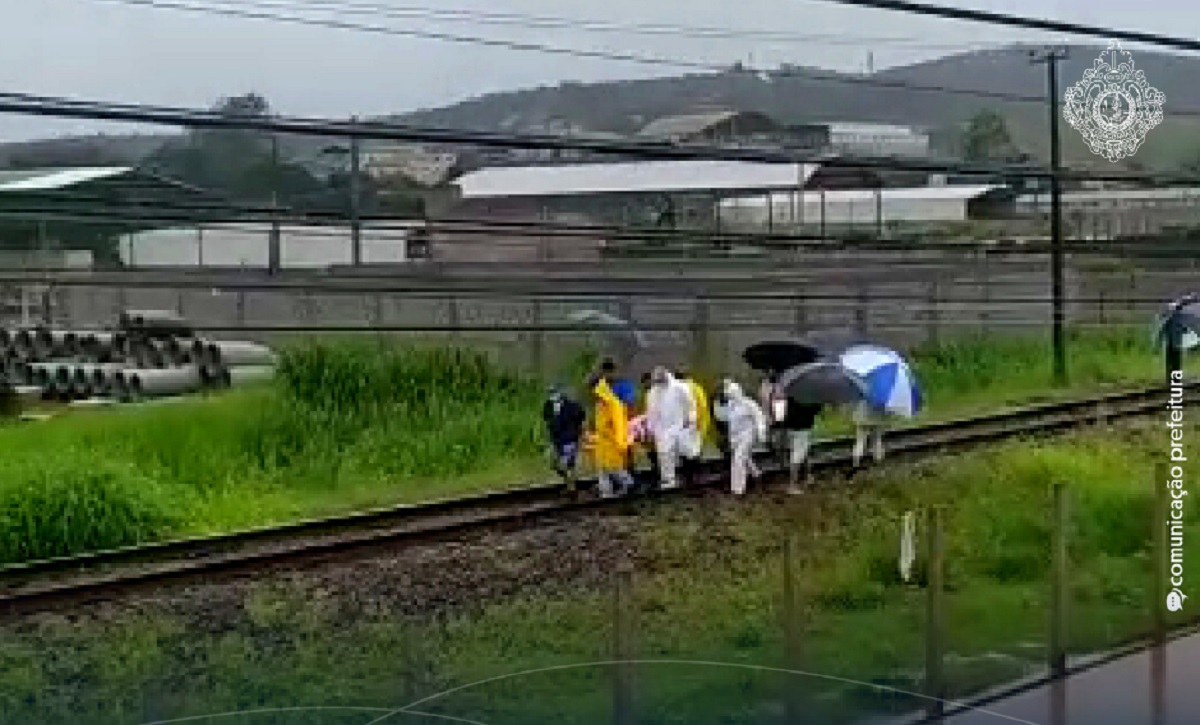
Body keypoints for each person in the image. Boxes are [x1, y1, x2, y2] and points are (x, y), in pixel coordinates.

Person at [763, 372, 822, 494]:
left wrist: (776, 423)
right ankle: (792, 485)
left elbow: (781, 409)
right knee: (798, 455)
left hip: (790, 426)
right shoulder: (810, 394)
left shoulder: (789, 391)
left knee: (802, 451)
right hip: (803, 427)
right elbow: (816, 410)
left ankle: (808, 476)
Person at [645, 366, 698, 491]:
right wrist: (650, 429)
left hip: (681, 425)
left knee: (688, 453)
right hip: (662, 429)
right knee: (664, 454)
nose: (658, 384)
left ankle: (690, 479)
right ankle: (669, 482)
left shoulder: (680, 387)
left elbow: (690, 405)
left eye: (659, 381)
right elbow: (651, 412)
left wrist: (691, 419)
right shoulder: (652, 392)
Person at [714, 379, 768, 496]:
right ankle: (757, 475)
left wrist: (761, 432)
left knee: (738, 460)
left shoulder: (749, 403)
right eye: (728, 395)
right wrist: (718, 403)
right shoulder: (730, 405)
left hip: (747, 435)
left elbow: (759, 417)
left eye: (731, 395)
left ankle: (738, 489)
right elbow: (722, 417)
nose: (729, 397)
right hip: (735, 436)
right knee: (744, 458)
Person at [587, 376, 636, 498]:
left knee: (614, 469)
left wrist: (621, 442)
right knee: (602, 470)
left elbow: (619, 425)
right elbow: (599, 425)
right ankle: (606, 493)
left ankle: (629, 484)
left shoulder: (613, 404)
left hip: (612, 443)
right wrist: (593, 436)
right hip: (602, 444)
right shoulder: (599, 405)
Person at [542, 385, 586, 492]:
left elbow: (581, 420)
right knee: (553, 462)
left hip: (569, 439)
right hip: (556, 440)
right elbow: (547, 420)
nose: (552, 395)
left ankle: (572, 489)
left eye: (554, 392)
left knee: (568, 465)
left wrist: (579, 436)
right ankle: (569, 481)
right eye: (550, 393)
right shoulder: (548, 405)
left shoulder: (572, 406)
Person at [675, 366, 710, 485]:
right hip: (695, 427)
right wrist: (702, 427)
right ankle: (697, 478)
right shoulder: (697, 388)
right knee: (694, 454)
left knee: (685, 455)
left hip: (682, 428)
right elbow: (704, 408)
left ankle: (689, 479)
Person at [852, 399, 887, 470]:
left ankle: (856, 459)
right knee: (876, 439)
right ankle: (878, 458)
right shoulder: (880, 394)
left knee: (860, 440)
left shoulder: (862, 391)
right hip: (877, 418)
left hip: (861, 418)